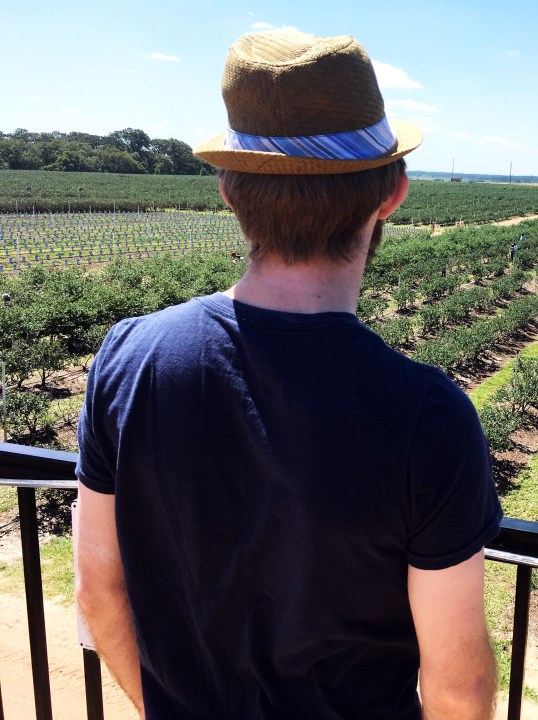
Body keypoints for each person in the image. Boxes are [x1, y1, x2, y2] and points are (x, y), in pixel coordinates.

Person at [75, 29, 502, 720]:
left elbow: (99, 593)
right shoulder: (428, 417)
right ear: (392, 193)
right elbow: (458, 691)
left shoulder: (128, 358)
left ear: (228, 191)